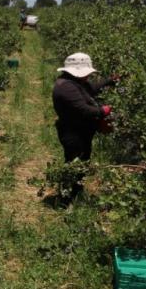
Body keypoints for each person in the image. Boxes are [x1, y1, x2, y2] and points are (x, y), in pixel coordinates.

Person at [52, 52, 118, 199]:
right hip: (72, 132)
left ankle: (75, 193)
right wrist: (104, 110)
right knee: (75, 164)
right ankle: (67, 198)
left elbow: (91, 89)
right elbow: (84, 110)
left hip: (81, 131)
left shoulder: (76, 82)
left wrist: (109, 81)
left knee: (82, 162)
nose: (88, 76)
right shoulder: (66, 87)